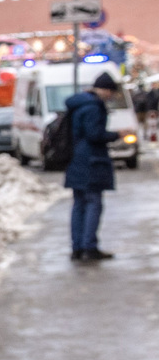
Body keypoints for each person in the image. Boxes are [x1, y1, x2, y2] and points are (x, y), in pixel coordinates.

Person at [65, 72, 118, 261]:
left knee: (79, 204)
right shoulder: (94, 107)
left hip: (76, 159)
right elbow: (94, 134)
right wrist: (116, 135)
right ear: (104, 89)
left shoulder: (78, 104)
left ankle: (77, 247)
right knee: (93, 203)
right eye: (111, 92)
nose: (111, 96)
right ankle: (90, 246)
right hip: (91, 161)